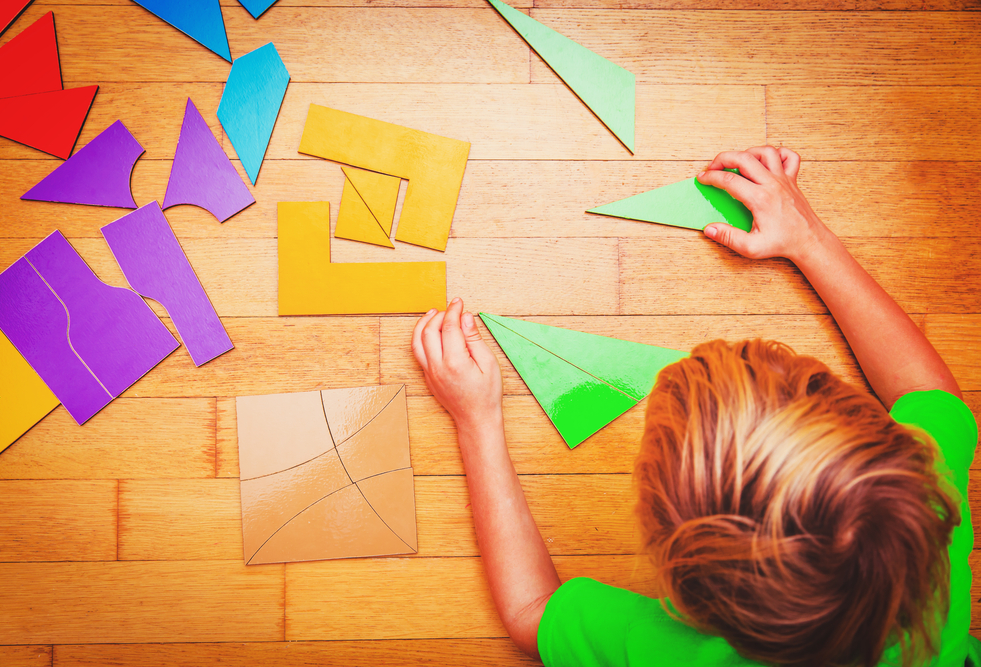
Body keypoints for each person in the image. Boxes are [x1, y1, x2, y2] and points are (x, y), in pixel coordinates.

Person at [410, 147, 978, 667]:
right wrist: (809, 240)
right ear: (889, 447)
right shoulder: (924, 500)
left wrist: (476, 421)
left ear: (682, 585)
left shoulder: (678, 655)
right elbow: (932, 395)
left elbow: (530, 612)